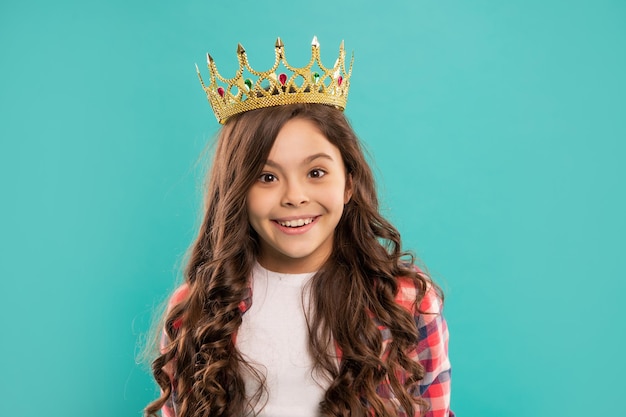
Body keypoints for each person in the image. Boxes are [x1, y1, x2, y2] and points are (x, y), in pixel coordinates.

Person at [145, 36, 453, 417]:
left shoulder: (406, 302)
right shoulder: (196, 311)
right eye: (266, 177)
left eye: (316, 172)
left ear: (349, 183)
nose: (294, 196)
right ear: (237, 191)